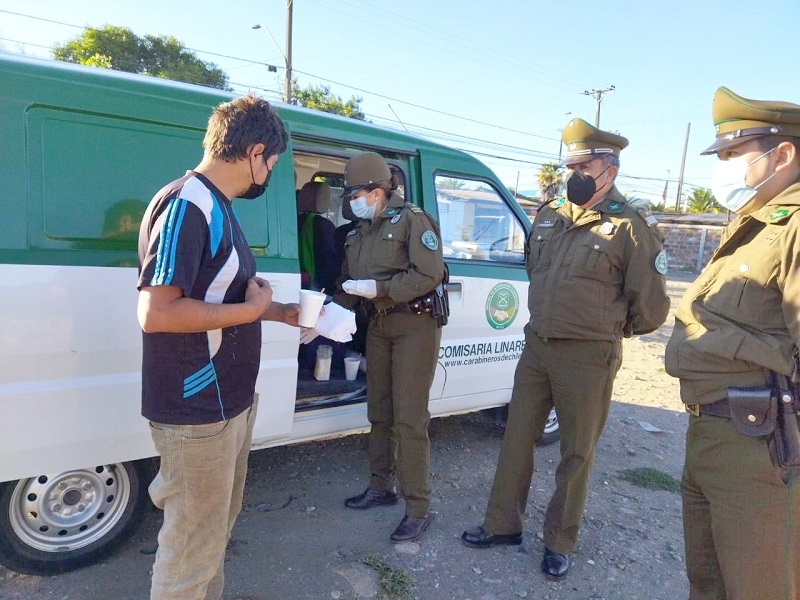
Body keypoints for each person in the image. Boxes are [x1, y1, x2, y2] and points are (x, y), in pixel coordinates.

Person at [461, 118, 670, 579]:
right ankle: (502, 525)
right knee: (517, 437)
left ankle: (558, 542)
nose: (572, 173)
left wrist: (607, 327)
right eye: (568, 165)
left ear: (608, 172)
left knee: (576, 452)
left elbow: (651, 307)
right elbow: (537, 270)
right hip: (538, 345)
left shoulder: (630, 227)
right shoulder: (551, 214)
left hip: (589, 354)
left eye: (582, 165)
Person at [136, 94, 299, 600]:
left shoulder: (216, 207)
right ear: (254, 153)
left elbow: (219, 297)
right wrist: (252, 312)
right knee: (190, 549)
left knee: (210, 539)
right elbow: (157, 313)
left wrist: (278, 312)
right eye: (271, 162)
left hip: (228, 403)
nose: (269, 173)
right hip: (197, 409)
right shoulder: (190, 205)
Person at [665, 87, 800, 599]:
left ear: (782, 154)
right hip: (712, 435)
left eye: (731, 154)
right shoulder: (752, 224)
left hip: (763, 449)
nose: (721, 167)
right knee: (709, 585)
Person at [335, 151, 445, 542]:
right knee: (379, 411)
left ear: (378, 190)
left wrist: (381, 290)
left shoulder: (413, 220)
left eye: (356, 194)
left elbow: (431, 273)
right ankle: (381, 487)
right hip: (379, 326)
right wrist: (324, 314)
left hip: (414, 325)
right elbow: (350, 284)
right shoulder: (358, 232)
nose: (351, 201)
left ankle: (418, 507)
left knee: (409, 418)